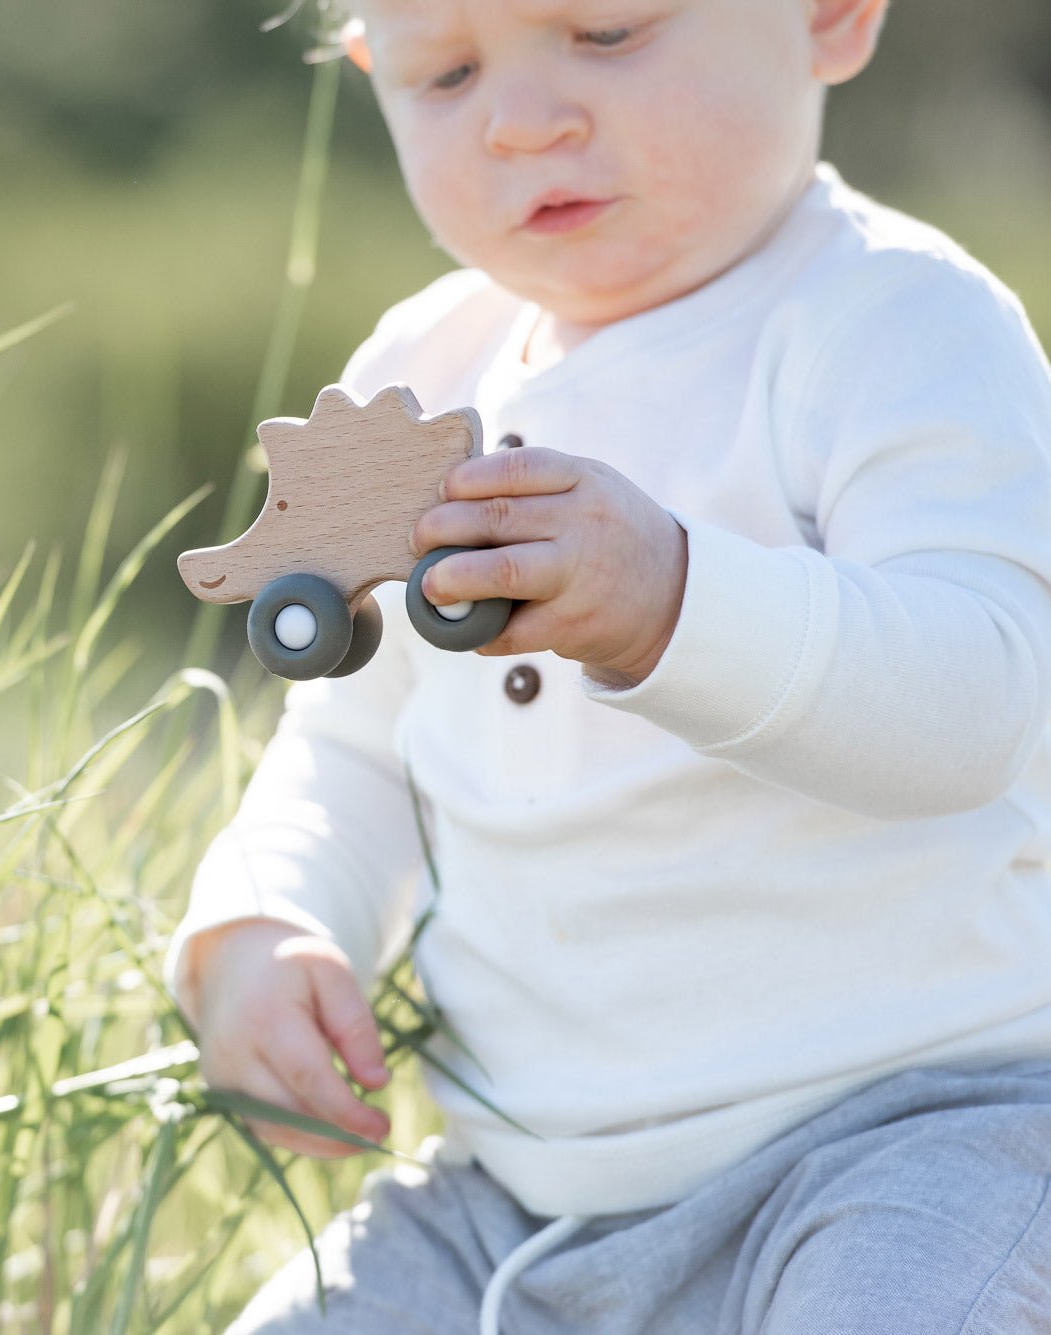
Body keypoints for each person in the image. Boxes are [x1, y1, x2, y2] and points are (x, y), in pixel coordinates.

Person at [166, 0, 1051, 1328]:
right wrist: (258, 927)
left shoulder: (895, 324)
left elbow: (973, 703)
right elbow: (347, 752)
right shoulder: (425, 370)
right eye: (447, 73)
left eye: (609, 32)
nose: (524, 120)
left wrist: (670, 604)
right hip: (514, 1203)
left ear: (828, 16)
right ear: (372, 73)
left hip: (913, 1137)